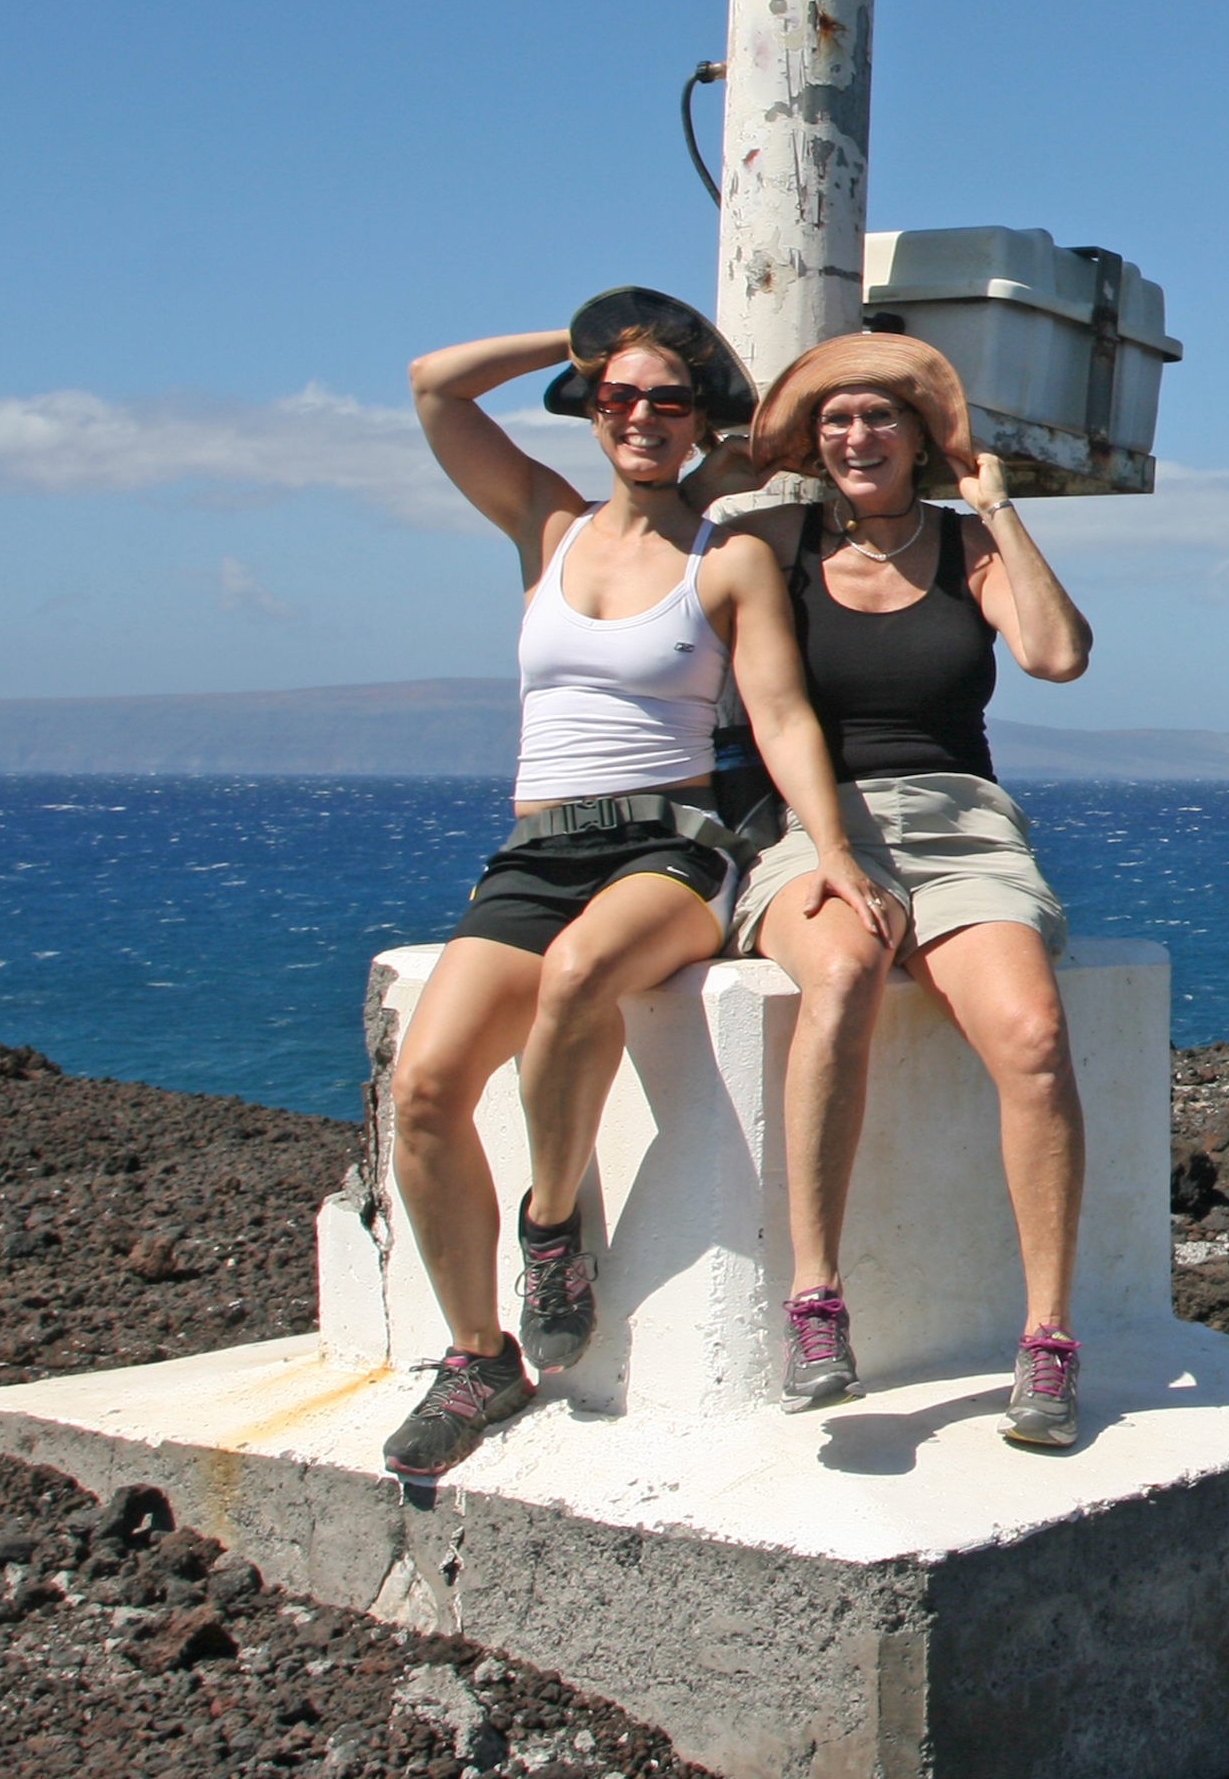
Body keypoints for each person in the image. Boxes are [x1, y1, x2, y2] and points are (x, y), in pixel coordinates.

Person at [381, 288, 900, 1481]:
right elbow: (433, 384)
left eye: (669, 400)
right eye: (619, 395)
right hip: (537, 850)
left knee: (579, 977)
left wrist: (832, 848)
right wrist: (583, 335)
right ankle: (479, 1361)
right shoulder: (547, 523)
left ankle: (550, 1223)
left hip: (672, 848)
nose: (642, 417)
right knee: (424, 1087)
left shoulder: (728, 561)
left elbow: (782, 716)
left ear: (698, 420)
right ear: (591, 406)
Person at [710, 331, 1099, 1445]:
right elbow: (765, 702)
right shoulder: (775, 547)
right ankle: (817, 1303)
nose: (857, 435)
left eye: (881, 415)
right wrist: (833, 849)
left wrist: (999, 509)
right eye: (835, 418)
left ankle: (1048, 1338)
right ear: (812, 442)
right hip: (818, 825)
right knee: (841, 977)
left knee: (1032, 1036)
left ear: (923, 437)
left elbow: (1058, 655)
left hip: (961, 829)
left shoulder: (967, 545)